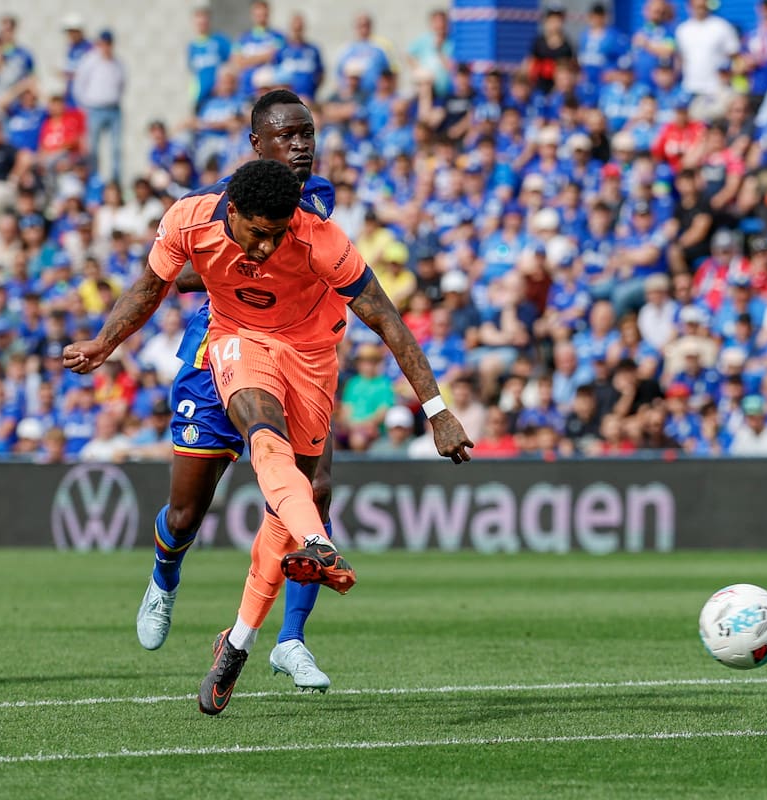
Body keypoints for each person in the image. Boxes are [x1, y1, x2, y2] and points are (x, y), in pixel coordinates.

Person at [64, 159, 472, 716]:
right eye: (258, 234)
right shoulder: (192, 215)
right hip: (234, 341)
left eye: (277, 235)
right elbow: (157, 283)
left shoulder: (318, 232)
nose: (266, 248)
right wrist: (104, 343)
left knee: (301, 495)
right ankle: (283, 552)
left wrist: (437, 410)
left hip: (309, 357)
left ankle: (242, 642)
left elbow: (387, 320)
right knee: (234, 469)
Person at [130, 90, 340, 693]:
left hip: (293, 352)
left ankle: (291, 638)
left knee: (312, 490)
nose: (300, 147)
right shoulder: (217, 202)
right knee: (186, 512)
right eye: (287, 137)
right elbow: (181, 270)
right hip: (216, 351)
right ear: (257, 144)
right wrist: (227, 261)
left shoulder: (316, 196)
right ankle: (164, 575)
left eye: (307, 135)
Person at [73, 30, 127, 183]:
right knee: (93, 147)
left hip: (113, 108)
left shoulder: (118, 63)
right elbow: (79, 84)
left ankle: (115, 180)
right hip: (95, 108)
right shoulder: (90, 61)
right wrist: (84, 105)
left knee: (115, 147)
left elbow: (122, 84)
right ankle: (94, 178)